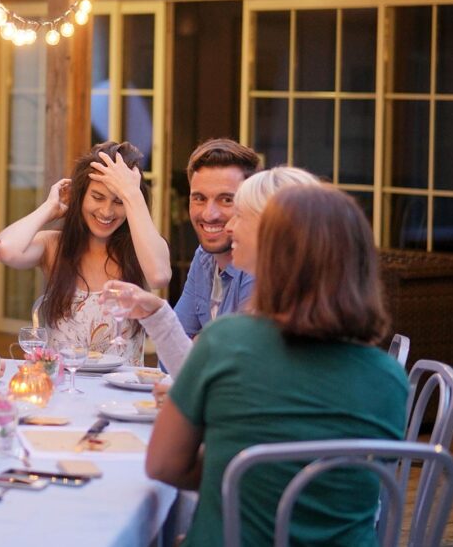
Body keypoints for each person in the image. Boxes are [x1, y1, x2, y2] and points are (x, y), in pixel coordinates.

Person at [145, 185, 408, 546]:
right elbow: (351, 487)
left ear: (277, 258)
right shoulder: (390, 378)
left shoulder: (226, 341)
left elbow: (163, 465)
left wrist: (232, 462)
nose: (231, 226)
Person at [107, 166, 320, 374]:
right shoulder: (289, 307)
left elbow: (214, 381)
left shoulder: (283, 327)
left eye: (239, 213)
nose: (228, 226)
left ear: (275, 231)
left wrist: (204, 348)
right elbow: (185, 372)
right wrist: (158, 316)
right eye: (199, 198)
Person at [0, 141, 171, 356]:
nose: (106, 211)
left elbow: (159, 277)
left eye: (119, 201)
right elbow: (4, 250)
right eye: (97, 197)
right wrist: (49, 208)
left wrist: (132, 194)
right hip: (64, 386)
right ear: (80, 197)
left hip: (120, 388)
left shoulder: (142, 249)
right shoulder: (54, 246)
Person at [172, 139, 261, 337]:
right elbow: (172, 346)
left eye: (226, 200)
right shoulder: (204, 256)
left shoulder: (257, 265)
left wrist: (200, 343)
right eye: (199, 198)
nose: (209, 214)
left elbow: (239, 357)